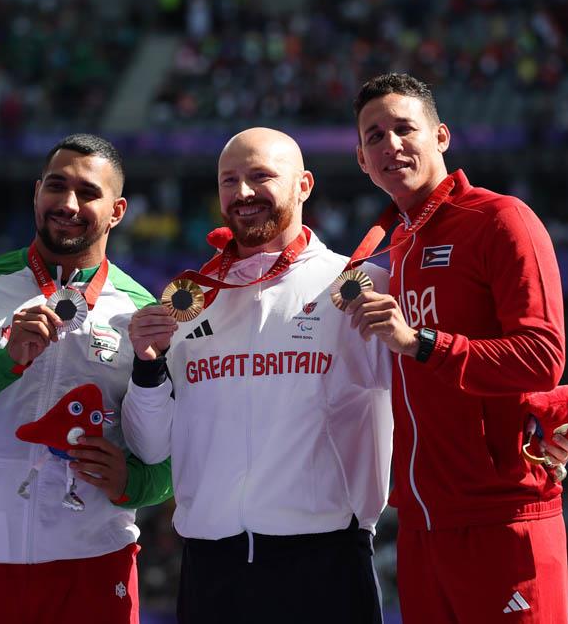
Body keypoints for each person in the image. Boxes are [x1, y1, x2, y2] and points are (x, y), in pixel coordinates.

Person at [0, 134, 172, 624]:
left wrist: (133, 483)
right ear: (36, 192)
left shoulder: (143, 315)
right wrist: (2, 364)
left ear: (117, 211)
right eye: (56, 186)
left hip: (92, 567)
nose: (68, 204)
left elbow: (173, 457)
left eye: (88, 192)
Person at [122, 127, 395, 623]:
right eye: (229, 180)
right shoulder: (190, 299)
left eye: (261, 176)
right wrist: (147, 365)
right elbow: (151, 446)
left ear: (304, 185)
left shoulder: (360, 285)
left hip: (325, 563)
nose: (243, 192)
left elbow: (426, 404)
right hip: (210, 568)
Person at [348, 72, 568, 623]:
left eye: (404, 128)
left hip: (503, 518)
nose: (390, 144)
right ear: (362, 160)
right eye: (374, 136)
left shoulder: (501, 218)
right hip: (420, 529)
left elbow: (543, 357)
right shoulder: (394, 246)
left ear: (441, 136)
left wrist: (420, 342)